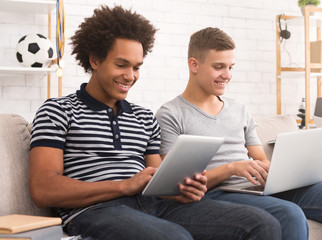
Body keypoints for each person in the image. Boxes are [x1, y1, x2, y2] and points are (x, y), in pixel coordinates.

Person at [28, 6, 282, 240]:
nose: (130, 76)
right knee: (172, 237)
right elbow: (43, 189)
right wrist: (124, 186)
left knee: (262, 224)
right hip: (95, 211)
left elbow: (162, 184)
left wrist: (184, 189)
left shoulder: (144, 117)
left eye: (137, 67)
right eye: (121, 65)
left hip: (155, 206)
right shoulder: (58, 110)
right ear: (94, 60)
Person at [155, 27, 322, 240]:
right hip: (217, 195)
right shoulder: (171, 114)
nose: (227, 75)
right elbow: (174, 184)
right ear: (194, 64)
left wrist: (292, 166)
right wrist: (231, 169)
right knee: (289, 214)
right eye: (219, 67)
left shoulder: (239, 109)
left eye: (231, 67)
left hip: (255, 188)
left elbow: (260, 160)